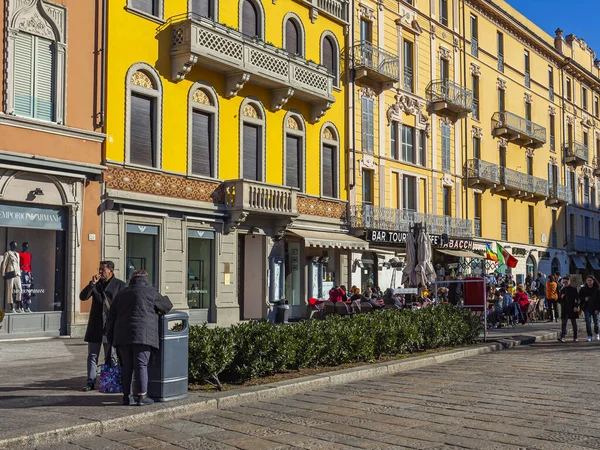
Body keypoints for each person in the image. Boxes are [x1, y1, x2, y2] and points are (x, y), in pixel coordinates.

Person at [106, 269, 172, 406]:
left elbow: (111, 317)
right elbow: (167, 306)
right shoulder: (151, 292)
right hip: (143, 335)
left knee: (126, 367)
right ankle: (141, 397)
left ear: (132, 278)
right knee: (141, 364)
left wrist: (111, 337)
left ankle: (126, 397)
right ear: (145, 278)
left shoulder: (122, 293)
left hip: (123, 336)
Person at [79, 261, 126, 392]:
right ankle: (90, 381)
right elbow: (83, 297)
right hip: (95, 325)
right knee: (92, 355)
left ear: (111, 271)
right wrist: (91, 284)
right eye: (99, 269)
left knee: (110, 356)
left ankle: (108, 381)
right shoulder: (96, 285)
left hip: (110, 327)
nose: (100, 272)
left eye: (102, 270)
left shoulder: (120, 285)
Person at [558, 276, 579, 343]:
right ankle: (563, 336)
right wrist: (561, 297)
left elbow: (577, 299)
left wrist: (576, 306)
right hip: (564, 308)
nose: (565, 283)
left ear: (569, 281)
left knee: (574, 323)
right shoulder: (562, 289)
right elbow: (559, 300)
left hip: (572, 308)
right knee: (564, 323)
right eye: (563, 282)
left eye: (566, 282)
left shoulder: (573, 289)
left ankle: (575, 336)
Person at [579, 275, 600, 342]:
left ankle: (597, 333)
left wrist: (598, 309)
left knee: (596, 322)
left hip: (595, 308)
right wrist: (584, 299)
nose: (589, 282)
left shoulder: (597, 289)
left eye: (590, 280)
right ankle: (589, 335)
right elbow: (580, 298)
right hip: (587, 308)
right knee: (588, 322)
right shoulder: (583, 289)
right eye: (588, 280)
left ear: (593, 281)